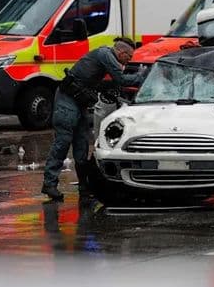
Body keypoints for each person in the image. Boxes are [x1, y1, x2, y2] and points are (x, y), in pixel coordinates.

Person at [41, 37, 144, 201]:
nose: (129, 61)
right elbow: (122, 80)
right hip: (67, 100)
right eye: (129, 57)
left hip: (77, 102)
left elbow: (99, 82)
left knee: (81, 145)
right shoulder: (106, 55)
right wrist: (144, 77)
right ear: (121, 52)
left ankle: (84, 188)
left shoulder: (103, 56)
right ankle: (49, 183)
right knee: (63, 142)